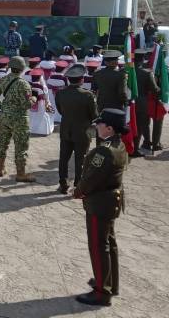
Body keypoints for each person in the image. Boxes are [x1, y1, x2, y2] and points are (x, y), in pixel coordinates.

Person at [73, 109, 128, 307]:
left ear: (110, 128)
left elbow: (91, 179)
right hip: (111, 200)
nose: (97, 126)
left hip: (100, 202)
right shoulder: (119, 145)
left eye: (100, 124)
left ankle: (101, 293)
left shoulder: (105, 151)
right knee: (109, 244)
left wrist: (77, 191)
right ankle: (110, 283)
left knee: (98, 247)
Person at [55, 64, 98, 194]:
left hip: (66, 129)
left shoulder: (60, 93)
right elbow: (94, 116)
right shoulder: (88, 95)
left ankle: (63, 184)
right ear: (82, 79)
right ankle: (78, 186)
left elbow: (60, 110)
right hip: (83, 131)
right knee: (81, 160)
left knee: (63, 158)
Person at [0, 56, 36, 182]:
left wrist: (4, 107)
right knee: (21, 146)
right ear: (22, 69)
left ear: (10, 67)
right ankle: (20, 174)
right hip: (20, 118)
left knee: (2, 143)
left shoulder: (3, 80)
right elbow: (27, 104)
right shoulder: (24, 84)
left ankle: (0, 169)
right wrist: (34, 99)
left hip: (5, 116)